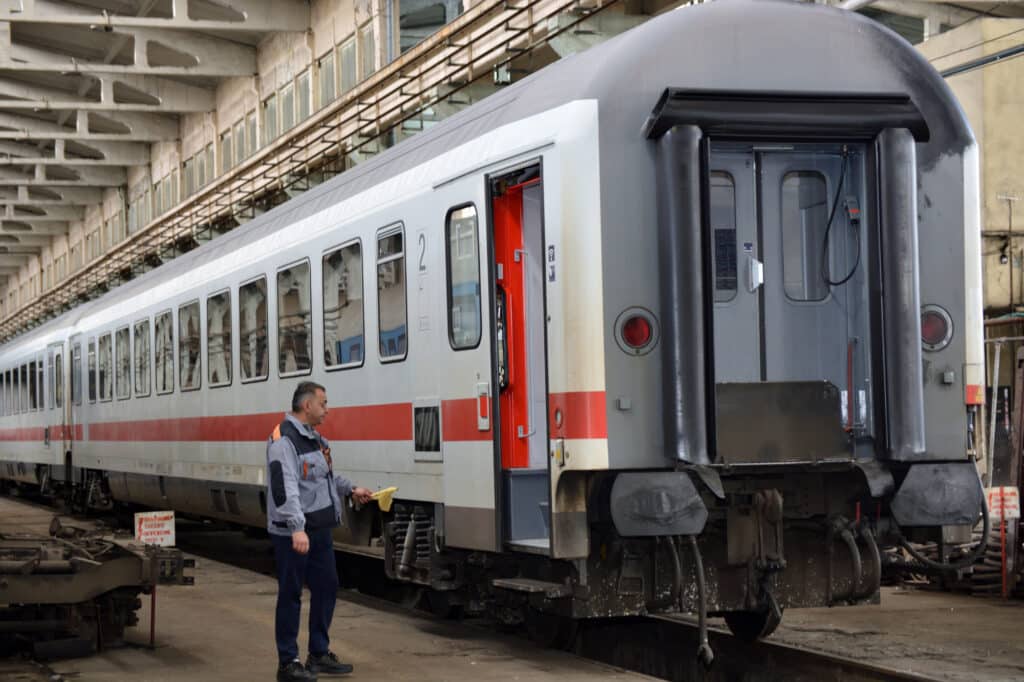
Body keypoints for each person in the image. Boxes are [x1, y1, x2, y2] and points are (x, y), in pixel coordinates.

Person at [266, 381, 373, 682]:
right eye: (323, 403)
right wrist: (297, 528)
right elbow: (283, 487)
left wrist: (351, 489)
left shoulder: (315, 440)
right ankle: (288, 662)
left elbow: (325, 477)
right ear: (307, 405)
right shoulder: (282, 440)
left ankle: (319, 653)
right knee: (291, 595)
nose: (327, 409)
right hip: (293, 534)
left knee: (327, 587)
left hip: (319, 529)